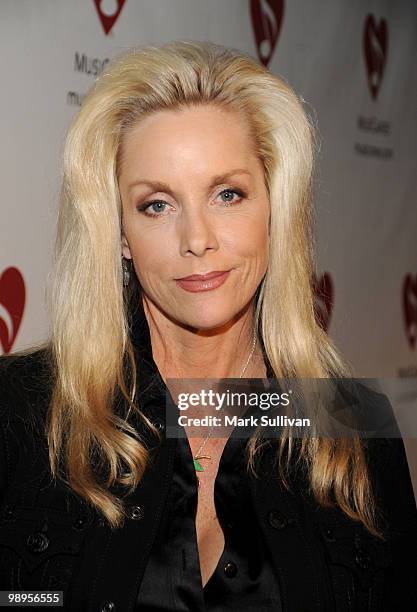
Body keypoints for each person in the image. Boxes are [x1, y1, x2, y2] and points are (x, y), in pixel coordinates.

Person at [0, 39, 416, 612]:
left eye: (228, 194)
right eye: (157, 205)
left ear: (275, 208)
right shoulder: (19, 410)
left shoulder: (351, 424)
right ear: (119, 232)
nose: (197, 239)